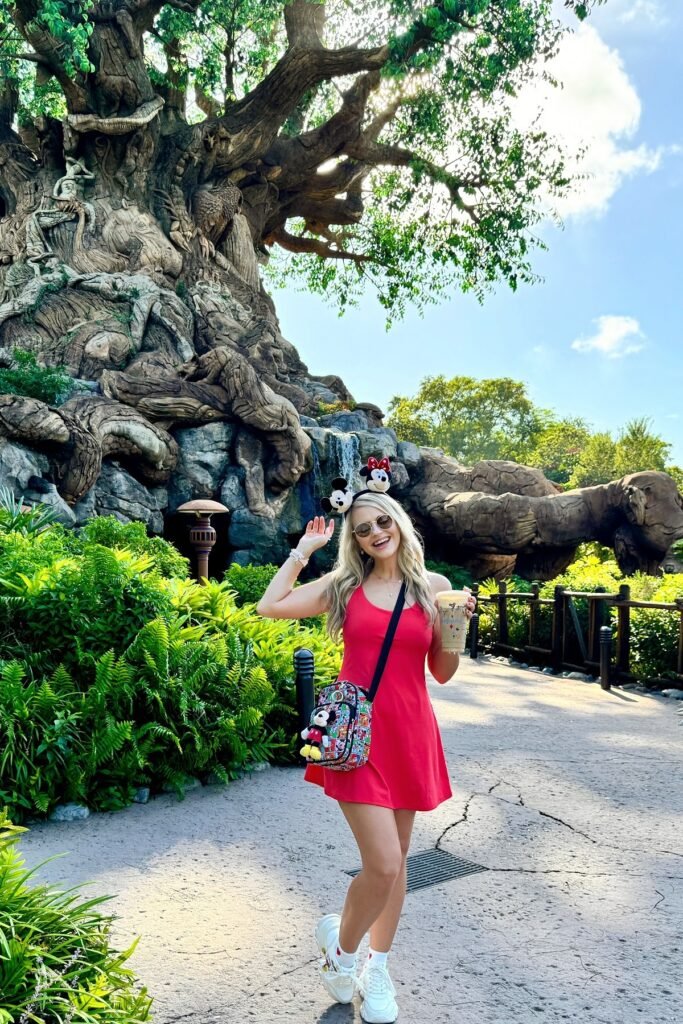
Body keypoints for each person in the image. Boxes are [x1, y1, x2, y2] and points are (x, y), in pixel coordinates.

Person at [257, 489, 476, 1023]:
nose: (375, 533)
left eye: (382, 521)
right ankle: (344, 952)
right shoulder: (345, 586)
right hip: (356, 738)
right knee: (383, 863)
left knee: (396, 865)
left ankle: (378, 967)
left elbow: (442, 672)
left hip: (410, 735)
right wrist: (303, 551)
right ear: (354, 541)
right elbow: (270, 606)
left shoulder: (433, 588)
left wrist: (458, 626)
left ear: (398, 522)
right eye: (362, 529)